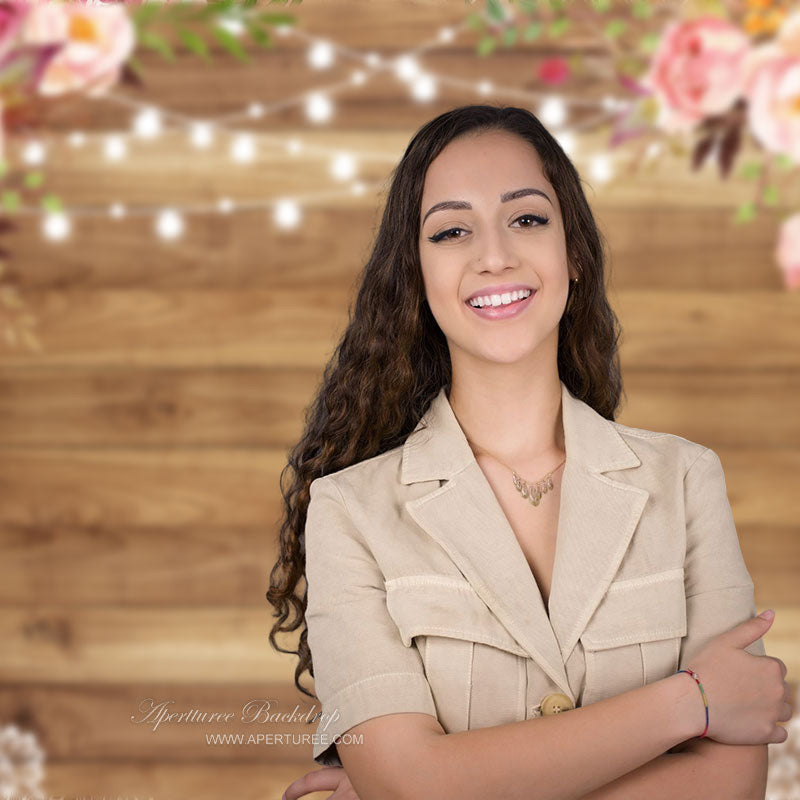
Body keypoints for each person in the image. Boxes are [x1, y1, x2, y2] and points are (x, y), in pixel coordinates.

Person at [267, 104, 792, 800]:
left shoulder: (686, 480)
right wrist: (690, 701)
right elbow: (408, 783)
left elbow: (730, 786)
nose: (494, 256)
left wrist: (440, 785)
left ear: (573, 252)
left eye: (527, 218)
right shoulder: (348, 511)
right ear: (416, 275)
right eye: (452, 231)